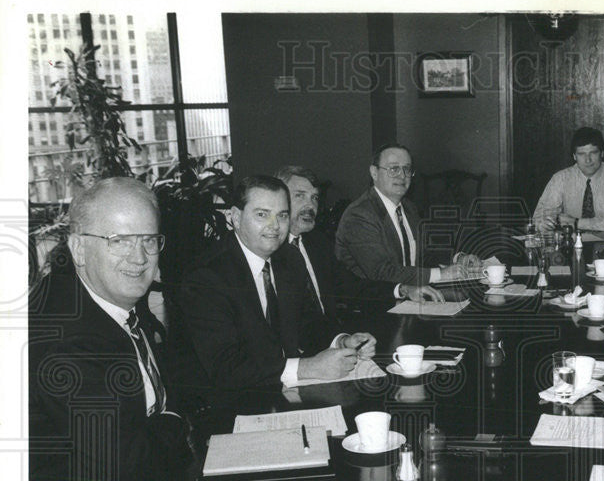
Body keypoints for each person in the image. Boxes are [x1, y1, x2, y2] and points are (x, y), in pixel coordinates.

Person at [29, 177, 191, 481]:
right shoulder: (65, 337)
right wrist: (176, 425)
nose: (139, 258)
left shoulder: (115, 299)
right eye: (119, 241)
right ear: (79, 249)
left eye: (148, 239)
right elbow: (126, 466)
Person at [174, 175, 376, 406]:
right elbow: (226, 367)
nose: (275, 226)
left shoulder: (289, 259)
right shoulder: (207, 276)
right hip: (229, 404)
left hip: (283, 393)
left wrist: (342, 341)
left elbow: (307, 322)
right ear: (236, 218)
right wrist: (307, 367)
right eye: (262, 214)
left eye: (282, 215)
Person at [275, 165, 441, 312]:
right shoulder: (271, 251)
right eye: (300, 196)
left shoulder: (316, 243)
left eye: (314, 197)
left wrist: (403, 289)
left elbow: (352, 287)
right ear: (278, 201)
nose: (310, 205)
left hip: (331, 336)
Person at [335, 144, 479, 288]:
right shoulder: (359, 215)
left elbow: (424, 255)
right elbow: (380, 272)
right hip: (373, 301)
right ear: (374, 173)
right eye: (394, 169)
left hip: (411, 293)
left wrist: (459, 259)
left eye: (407, 169)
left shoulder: (409, 208)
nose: (402, 175)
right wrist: (441, 274)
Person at [532, 126, 604, 233]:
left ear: (602, 154)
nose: (588, 160)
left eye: (593, 153)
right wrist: (544, 223)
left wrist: (576, 223)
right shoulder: (561, 178)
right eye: (581, 154)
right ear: (574, 156)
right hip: (571, 243)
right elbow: (540, 215)